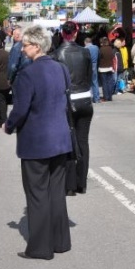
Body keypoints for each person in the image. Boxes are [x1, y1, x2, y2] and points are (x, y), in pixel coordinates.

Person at [4, 25, 72, 260]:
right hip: (60, 138)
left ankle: (41, 248)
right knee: (56, 192)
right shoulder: (61, 69)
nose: (22, 50)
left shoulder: (27, 74)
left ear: (36, 46)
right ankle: (61, 241)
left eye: (25, 45)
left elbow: (20, 109)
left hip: (37, 142)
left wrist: (9, 125)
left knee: (37, 194)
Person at [52, 21, 93, 195]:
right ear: (76, 33)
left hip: (66, 100)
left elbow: (54, 82)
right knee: (83, 141)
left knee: (68, 142)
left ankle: (69, 186)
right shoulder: (85, 52)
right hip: (84, 99)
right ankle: (81, 183)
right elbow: (90, 76)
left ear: (62, 33)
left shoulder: (56, 55)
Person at [97, 36, 116, 102]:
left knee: (104, 83)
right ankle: (110, 96)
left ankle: (106, 97)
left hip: (102, 68)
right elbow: (113, 57)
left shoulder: (101, 49)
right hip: (110, 68)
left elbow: (98, 58)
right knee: (109, 82)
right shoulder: (110, 49)